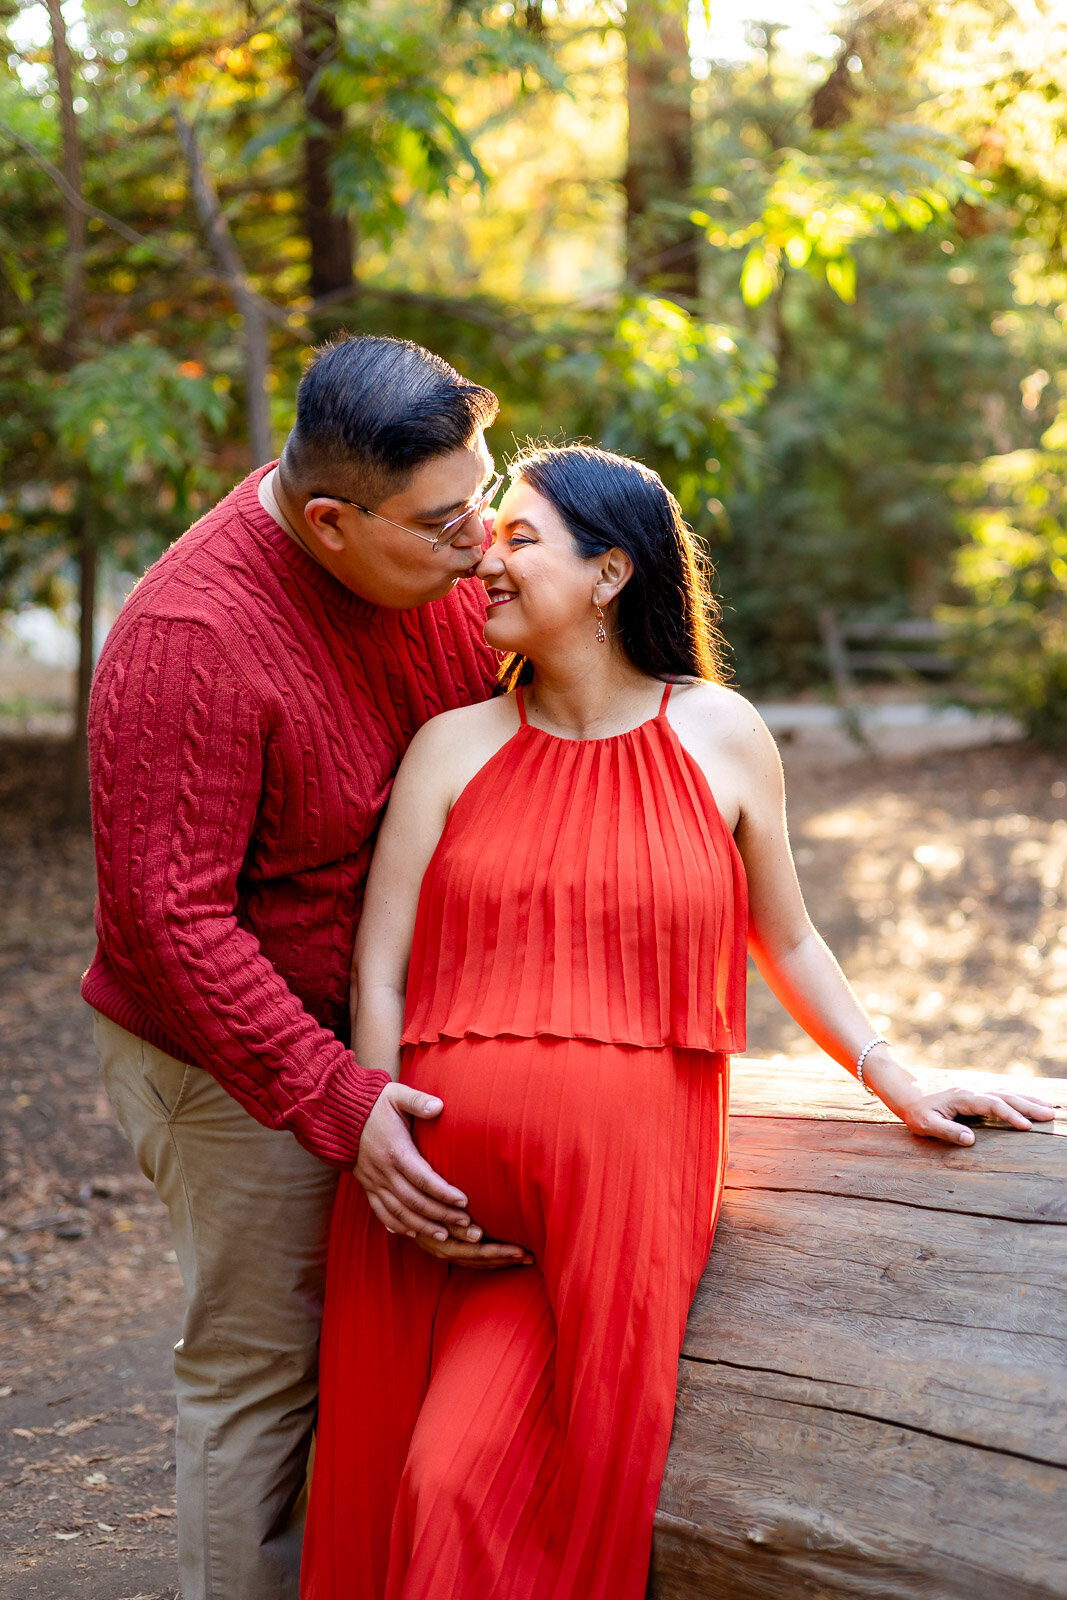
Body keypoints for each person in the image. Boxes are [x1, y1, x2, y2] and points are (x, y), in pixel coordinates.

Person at [299, 442, 1055, 1600]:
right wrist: (378, 1134)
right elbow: (380, 969)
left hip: (618, 1211)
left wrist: (893, 1074)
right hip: (426, 1217)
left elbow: (786, 939)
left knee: (503, 1494)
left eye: (518, 538)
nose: (484, 561)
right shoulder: (450, 745)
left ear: (609, 574)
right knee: (420, 1488)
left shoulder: (719, 733)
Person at [83, 334, 530, 1600]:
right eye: (442, 524)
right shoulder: (193, 637)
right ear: (329, 520)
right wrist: (336, 1096)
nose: (479, 543)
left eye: (486, 493)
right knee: (267, 1373)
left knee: (397, 1348)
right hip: (231, 1054)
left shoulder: (429, 559)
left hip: (391, 1025)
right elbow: (169, 926)